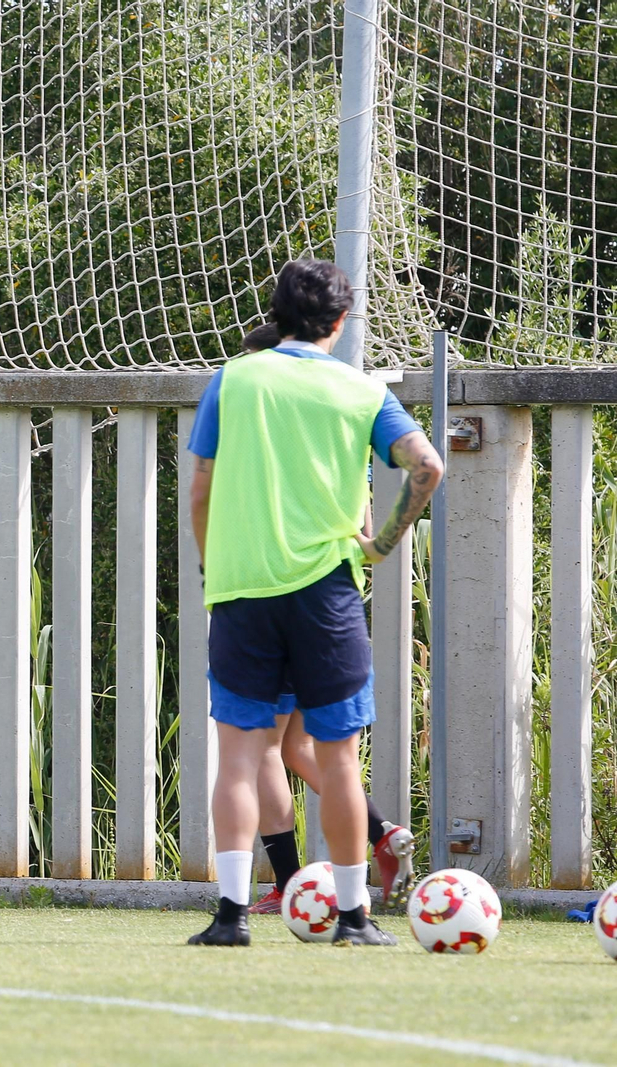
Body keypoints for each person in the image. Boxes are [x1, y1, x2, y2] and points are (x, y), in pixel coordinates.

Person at [186, 261, 444, 947]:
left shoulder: (235, 379)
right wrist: (383, 542)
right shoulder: (359, 389)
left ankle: (231, 916)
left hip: (242, 589)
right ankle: (355, 917)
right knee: (336, 757)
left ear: (275, 314)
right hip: (325, 590)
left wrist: (217, 560)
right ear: (340, 320)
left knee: (240, 754)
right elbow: (427, 465)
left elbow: (202, 487)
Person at [232, 322, 418, 918]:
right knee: (298, 746)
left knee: (261, 746)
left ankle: (290, 884)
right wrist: (375, 545)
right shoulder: (331, 420)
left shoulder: (262, 423)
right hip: (333, 592)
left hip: (273, 594)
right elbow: (372, 501)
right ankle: (382, 831)